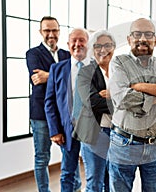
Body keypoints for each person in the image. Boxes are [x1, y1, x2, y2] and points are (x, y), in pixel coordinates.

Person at [108, 18, 156, 192]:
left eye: (148, 35)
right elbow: (121, 98)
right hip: (123, 144)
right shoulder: (119, 62)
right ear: (129, 39)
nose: (142, 39)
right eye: (137, 34)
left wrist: (139, 87)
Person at [26, 16, 81, 192]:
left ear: (59, 31)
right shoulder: (33, 54)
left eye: (54, 30)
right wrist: (62, 75)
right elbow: (36, 79)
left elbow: (75, 78)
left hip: (66, 114)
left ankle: (76, 187)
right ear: (41, 32)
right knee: (42, 157)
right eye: (47, 30)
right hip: (41, 113)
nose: (51, 34)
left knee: (70, 153)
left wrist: (50, 75)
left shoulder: (66, 54)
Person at [44, 28, 90, 192]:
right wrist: (54, 130)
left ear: (88, 43)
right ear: (68, 44)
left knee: (95, 174)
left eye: (82, 40)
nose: (78, 44)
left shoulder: (96, 68)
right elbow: (49, 102)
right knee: (68, 174)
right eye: (74, 41)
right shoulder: (57, 69)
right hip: (67, 130)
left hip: (93, 131)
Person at [72, 29, 116, 192]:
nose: (103, 50)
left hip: (117, 134)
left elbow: (133, 99)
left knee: (112, 181)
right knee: (95, 183)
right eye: (98, 46)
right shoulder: (85, 72)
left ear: (114, 47)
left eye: (107, 45)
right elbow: (93, 102)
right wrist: (119, 99)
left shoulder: (119, 73)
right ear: (93, 48)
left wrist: (112, 96)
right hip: (94, 134)